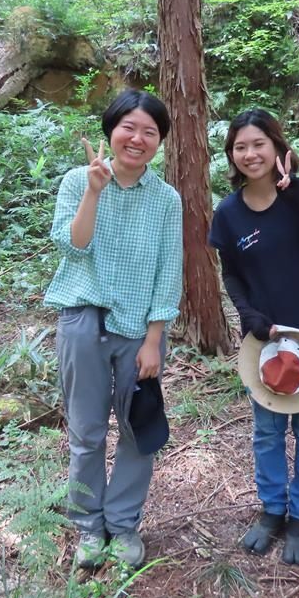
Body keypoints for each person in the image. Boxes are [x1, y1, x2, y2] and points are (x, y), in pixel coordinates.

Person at [45, 89, 182, 569]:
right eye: (129, 127)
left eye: (150, 131)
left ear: (160, 141)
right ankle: (88, 525)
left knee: (135, 430)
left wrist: (153, 340)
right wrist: (93, 191)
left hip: (139, 330)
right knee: (85, 433)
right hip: (83, 320)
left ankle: (123, 525)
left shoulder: (166, 199)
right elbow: (74, 245)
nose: (138, 139)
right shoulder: (75, 182)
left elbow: (170, 270)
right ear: (111, 130)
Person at [208, 108, 299, 566]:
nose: (250, 154)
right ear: (231, 155)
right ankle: (271, 510)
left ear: (276, 147)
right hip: (265, 343)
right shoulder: (229, 213)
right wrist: (247, 315)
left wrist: (295, 199)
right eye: (240, 147)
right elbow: (232, 274)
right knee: (267, 432)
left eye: (258, 144)